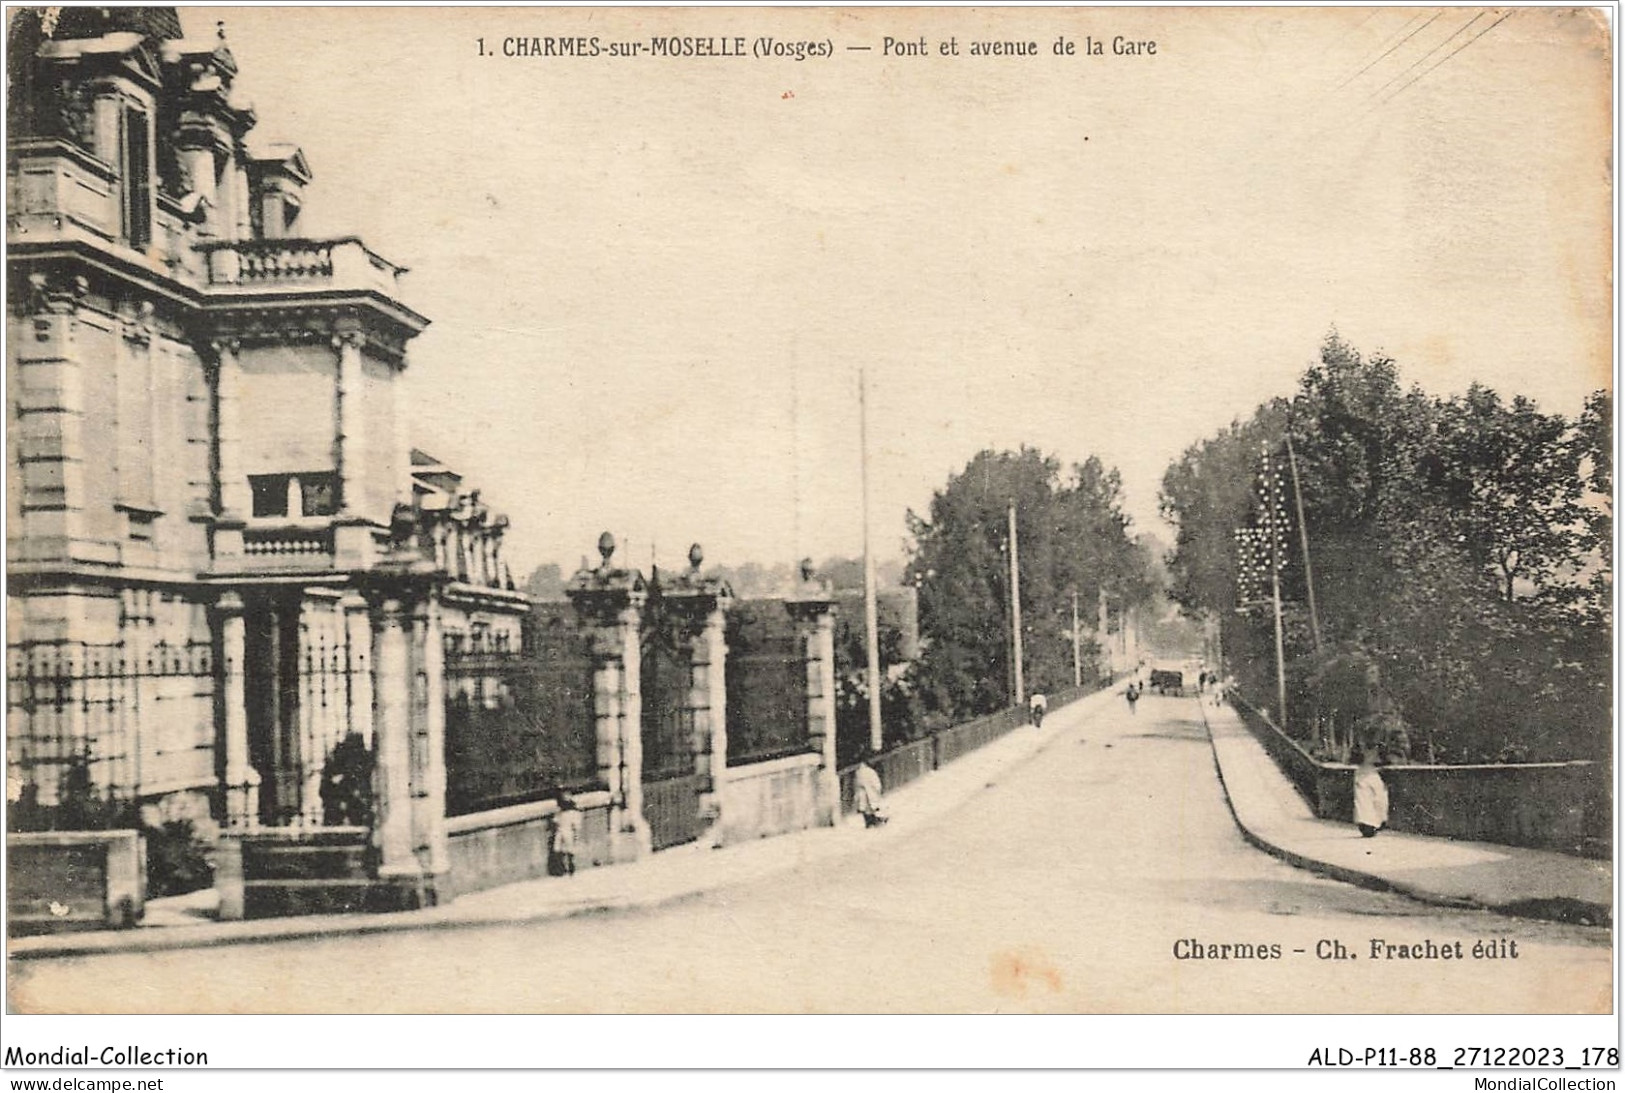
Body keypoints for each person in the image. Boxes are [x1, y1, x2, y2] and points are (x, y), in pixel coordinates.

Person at [1352, 749, 1389, 838]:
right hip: (1364, 773)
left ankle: (1375, 822)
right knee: (1364, 800)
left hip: (1371, 772)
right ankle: (1368, 824)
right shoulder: (1362, 746)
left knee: (1378, 798)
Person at [551, 794, 582, 875]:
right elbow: (556, 822)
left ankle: (570, 866)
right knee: (561, 850)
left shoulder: (572, 813)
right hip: (562, 832)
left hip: (567, 831)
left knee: (568, 850)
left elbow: (576, 826)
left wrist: (575, 834)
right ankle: (565, 867)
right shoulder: (560, 813)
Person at [853, 753, 887, 828]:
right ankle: (877, 820)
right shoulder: (870, 771)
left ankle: (870, 822)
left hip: (863, 791)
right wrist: (878, 790)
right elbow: (876, 782)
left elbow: (857, 783)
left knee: (866, 807)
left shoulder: (858, 772)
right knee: (873, 806)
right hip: (870, 791)